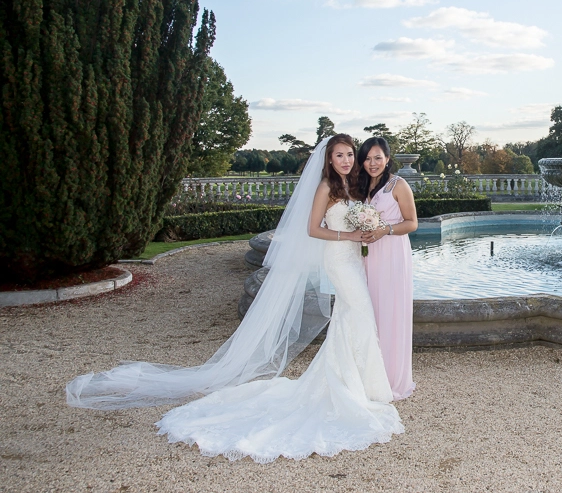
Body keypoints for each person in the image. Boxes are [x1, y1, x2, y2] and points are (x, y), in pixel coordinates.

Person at [65, 135, 403, 463]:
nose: (345, 160)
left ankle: (358, 383)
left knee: (351, 316)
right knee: (358, 313)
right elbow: (312, 229)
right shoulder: (326, 188)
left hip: (352, 261)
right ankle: (354, 388)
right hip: (339, 261)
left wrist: (368, 230)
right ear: (329, 159)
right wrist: (349, 234)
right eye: (339, 155)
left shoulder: (352, 187)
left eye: (348, 155)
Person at [357, 137, 418, 400]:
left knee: (391, 312)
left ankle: (392, 378)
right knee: (369, 310)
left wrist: (385, 230)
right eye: (368, 158)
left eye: (378, 157)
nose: (373, 163)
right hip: (367, 255)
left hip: (392, 252)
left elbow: (412, 223)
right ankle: (368, 375)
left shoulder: (398, 185)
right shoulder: (359, 185)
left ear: (387, 158)